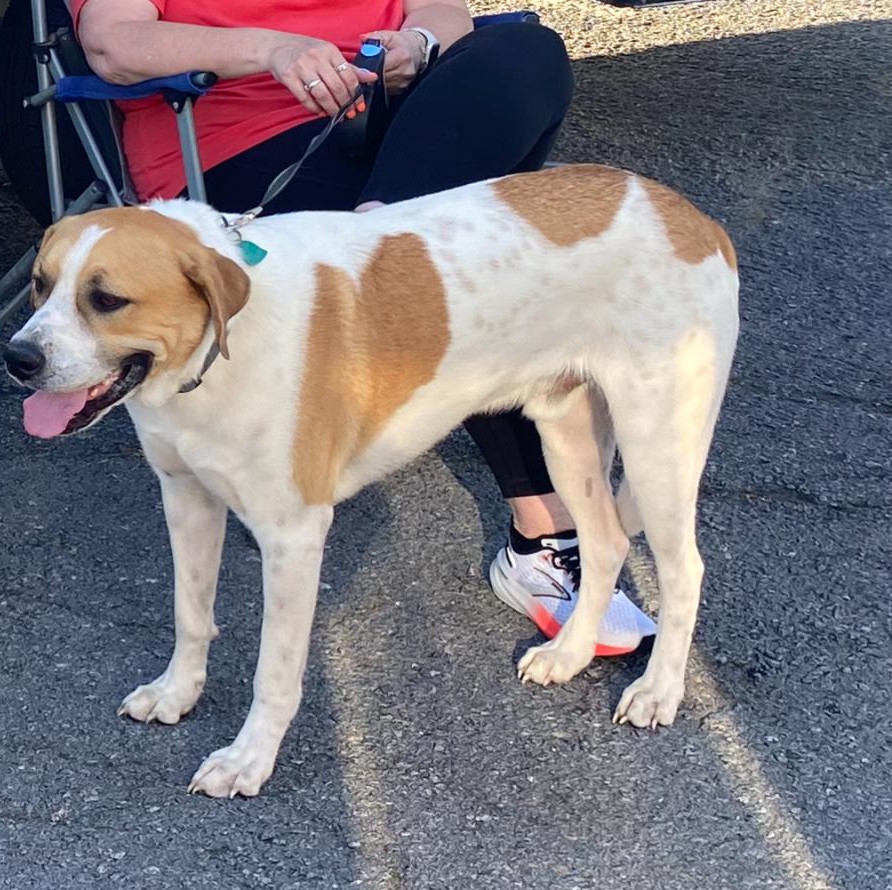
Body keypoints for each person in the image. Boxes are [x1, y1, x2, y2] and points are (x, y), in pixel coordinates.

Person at [72, 0, 656, 654]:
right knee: (469, 262)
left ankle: (385, 233)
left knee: (528, 51)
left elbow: (445, 13)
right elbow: (113, 43)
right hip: (242, 143)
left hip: (391, 123)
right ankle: (545, 529)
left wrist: (419, 43)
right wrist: (273, 50)